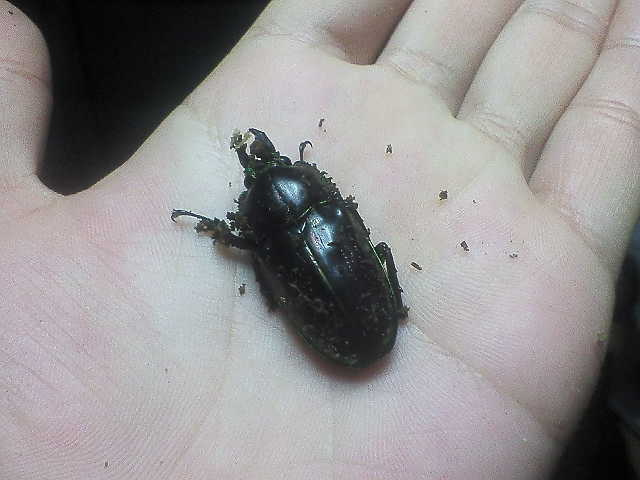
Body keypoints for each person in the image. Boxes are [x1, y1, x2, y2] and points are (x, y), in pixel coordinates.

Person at [2, 0, 639, 478]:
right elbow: (345, 236)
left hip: (348, 325)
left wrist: (233, 229)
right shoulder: (325, 212)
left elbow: (254, 241)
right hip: (366, 318)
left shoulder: (266, 235)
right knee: (364, 252)